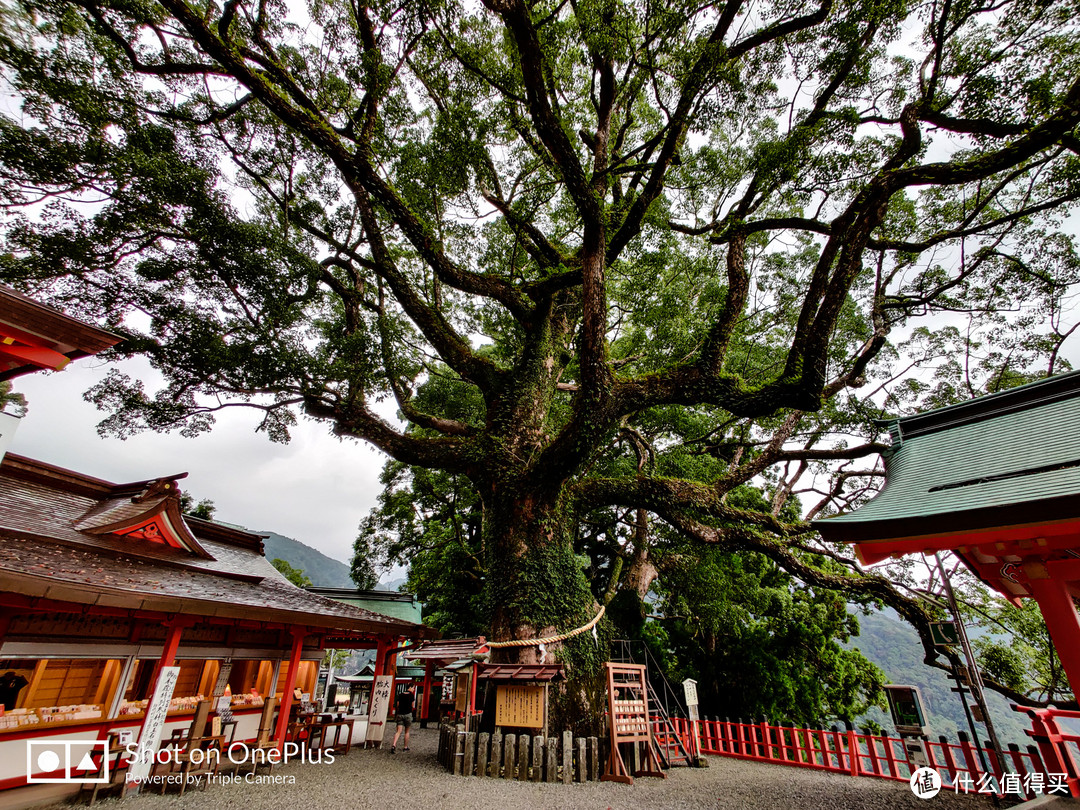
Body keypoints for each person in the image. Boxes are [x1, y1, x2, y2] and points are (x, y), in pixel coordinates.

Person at [389, 682, 417, 754]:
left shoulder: (400, 695)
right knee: (407, 731)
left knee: (398, 731)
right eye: (413, 688)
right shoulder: (411, 696)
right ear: (410, 687)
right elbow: (413, 705)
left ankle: (394, 745)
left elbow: (397, 705)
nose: (414, 689)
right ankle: (405, 747)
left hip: (400, 714)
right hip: (408, 714)